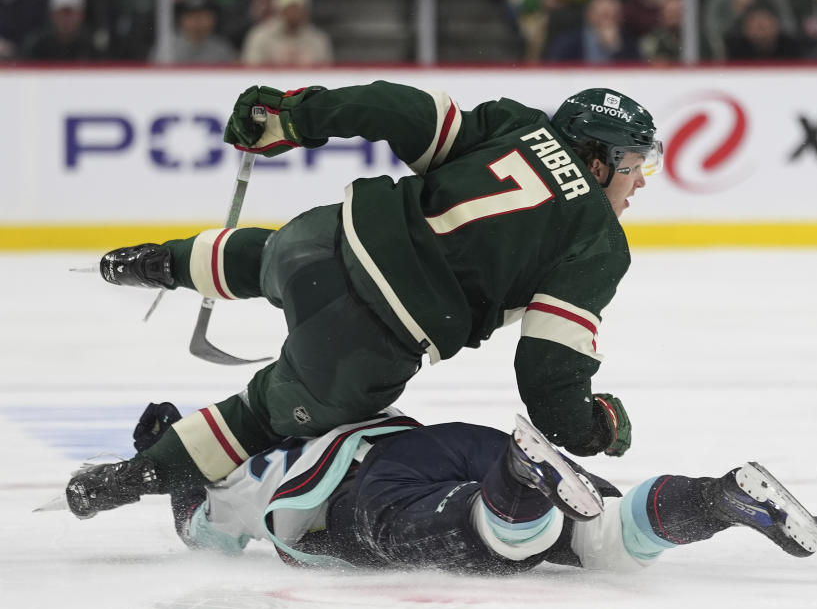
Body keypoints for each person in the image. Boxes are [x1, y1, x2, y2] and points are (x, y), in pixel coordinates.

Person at [66, 80, 663, 519]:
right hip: (367, 341)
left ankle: (148, 262)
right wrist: (591, 429)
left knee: (269, 255)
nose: (639, 185)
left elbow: (396, 109)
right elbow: (547, 373)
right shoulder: (598, 241)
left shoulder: (517, 124)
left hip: (324, 239)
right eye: (635, 167)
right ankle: (123, 480)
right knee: (259, 415)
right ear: (596, 159)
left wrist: (296, 117)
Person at [74, 401, 817, 573]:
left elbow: (197, 529)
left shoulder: (231, 481)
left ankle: (520, 481)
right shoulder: (287, 405)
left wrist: (150, 467)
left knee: (482, 536)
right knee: (605, 541)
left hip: (359, 490)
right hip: (440, 440)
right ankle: (718, 498)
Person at [241, 0, 333, 66]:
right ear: (279, 11)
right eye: (290, 9)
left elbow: (326, 70)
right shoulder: (259, 36)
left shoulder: (318, 39)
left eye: (298, 9)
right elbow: (251, 68)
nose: (294, 14)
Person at [544, 0, 642, 63]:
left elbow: (635, 72)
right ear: (590, 15)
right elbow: (554, 68)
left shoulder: (629, 43)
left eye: (613, 16)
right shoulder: (568, 42)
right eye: (603, 15)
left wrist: (615, 48)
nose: (607, 22)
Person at [154, 0, 236, 64]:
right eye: (191, 16)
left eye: (203, 16)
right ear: (180, 20)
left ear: (213, 19)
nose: (198, 21)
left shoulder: (222, 49)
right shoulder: (168, 48)